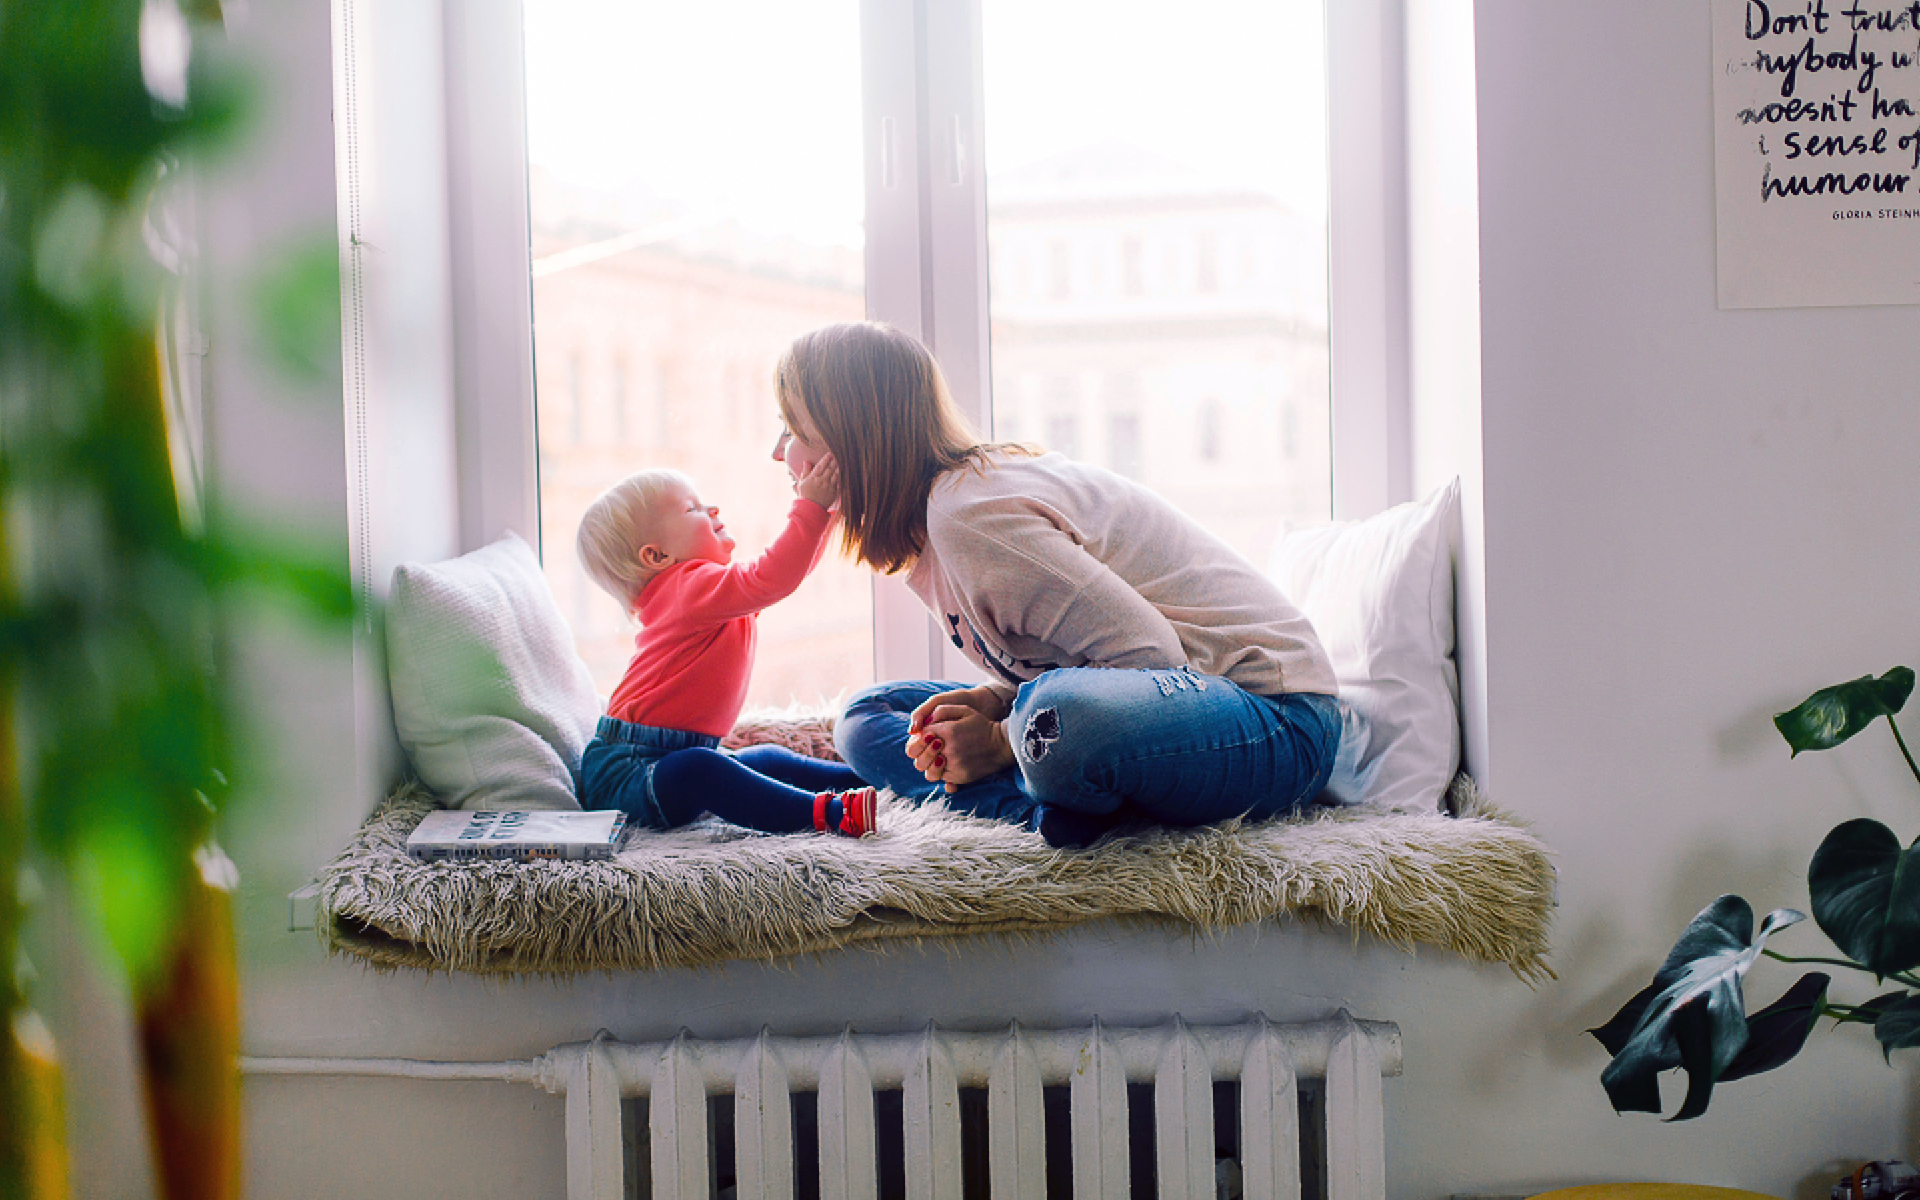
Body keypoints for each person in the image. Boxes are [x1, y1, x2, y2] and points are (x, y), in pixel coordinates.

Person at [769, 321, 1341, 848]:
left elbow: (1153, 658)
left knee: (1056, 717)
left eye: (795, 430)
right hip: (1164, 706)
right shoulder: (933, 530)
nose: (779, 452)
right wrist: (999, 705)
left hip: (1276, 720)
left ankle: (1038, 791)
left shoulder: (969, 514)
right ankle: (1047, 808)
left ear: (856, 441)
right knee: (869, 715)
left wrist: (997, 741)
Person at [575, 460, 878, 838]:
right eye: (692, 509)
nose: (712, 509)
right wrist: (812, 509)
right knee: (702, 770)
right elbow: (774, 576)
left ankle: (871, 779)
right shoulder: (687, 589)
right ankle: (829, 814)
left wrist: (827, 514)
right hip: (628, 773)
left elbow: (785, 575)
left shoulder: (703, 593)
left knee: (766, 759)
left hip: (667, 756)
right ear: (656, 557)